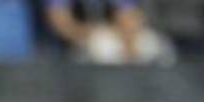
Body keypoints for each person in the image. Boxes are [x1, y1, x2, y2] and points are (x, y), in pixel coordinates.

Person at [45, 0, 175, 63]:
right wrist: (91, 35)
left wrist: (128, 45)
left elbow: (128, 17)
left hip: (111, 37)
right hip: (75, 45)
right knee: (101, 46)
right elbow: (60, 23)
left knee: (154, 45)